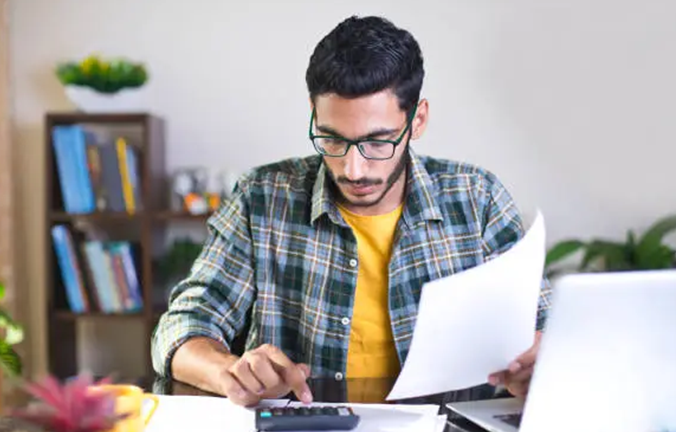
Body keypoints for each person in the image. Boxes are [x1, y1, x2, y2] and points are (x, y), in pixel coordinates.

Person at [151, 15, 552, 407]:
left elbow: (545, 330)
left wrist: (539, 361)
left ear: (417, 120)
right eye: (332, 139)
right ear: (314, 113)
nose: (353, 169)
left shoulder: (477, 198)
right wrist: (230, 372)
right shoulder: (262, 197)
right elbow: (182, 327)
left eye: (378, 142)